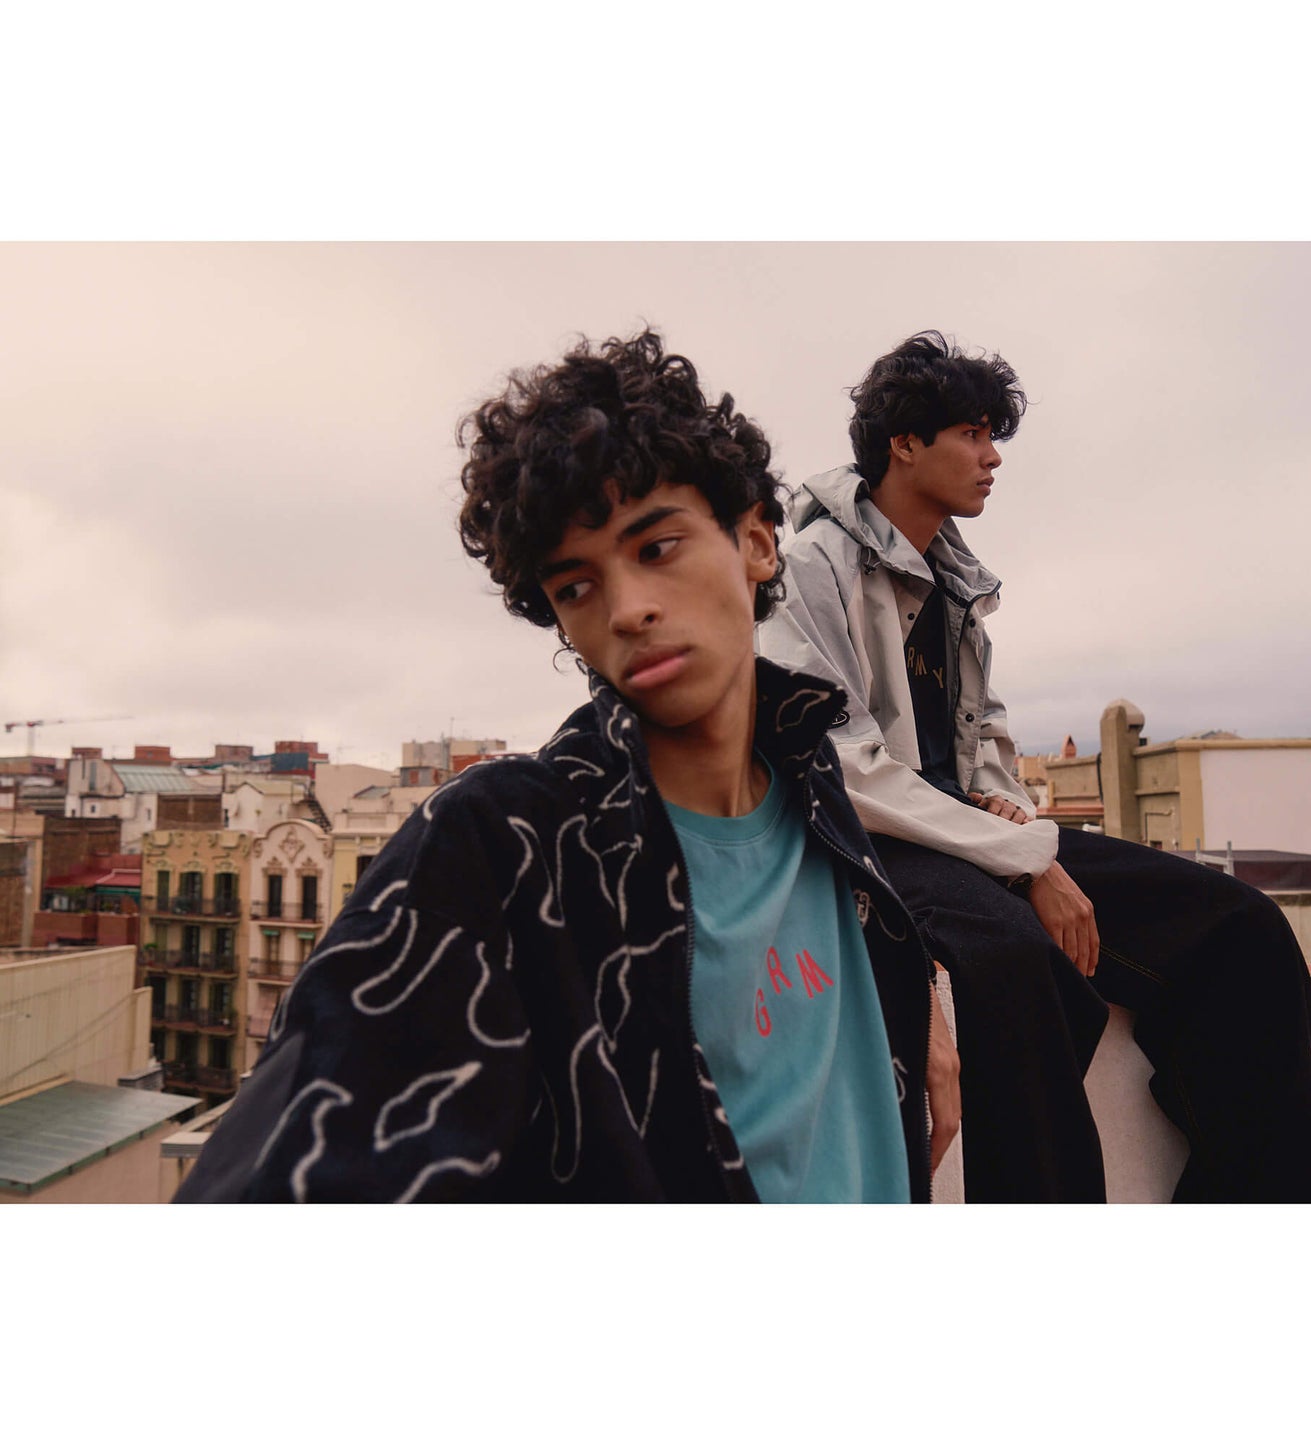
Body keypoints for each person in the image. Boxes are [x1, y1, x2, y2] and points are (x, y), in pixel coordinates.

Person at [174, 328, 959, 1203]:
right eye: (575, 586)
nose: (624, 609)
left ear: (757, 543)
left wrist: (911, 991)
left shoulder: (811, 769)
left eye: (656, 547)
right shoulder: (512, 840)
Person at [757, 330, 1311, 1203]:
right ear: (903, 443)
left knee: (1241, 928)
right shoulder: (810, 566)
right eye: (972, 434)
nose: (992, 457)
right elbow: (845, 767)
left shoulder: (954, 577)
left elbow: (982, 734)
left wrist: (1009, 813)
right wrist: (1029, 862)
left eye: (992, 436)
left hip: (967, 832)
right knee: (1017, 961)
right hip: (874, 841)